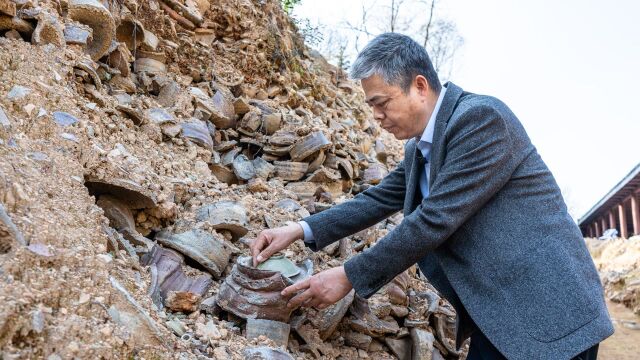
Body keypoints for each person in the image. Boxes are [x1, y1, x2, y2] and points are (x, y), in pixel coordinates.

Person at [250, 33, 613, 360]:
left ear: (419, 86)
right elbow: (377, 200)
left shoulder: (481, 120)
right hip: (504, 315)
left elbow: (434, 220)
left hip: (550, 312)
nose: (376, 116)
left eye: (382, 102)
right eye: (371, 106)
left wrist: (348, 275)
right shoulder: (419, 149)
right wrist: (299, 229)